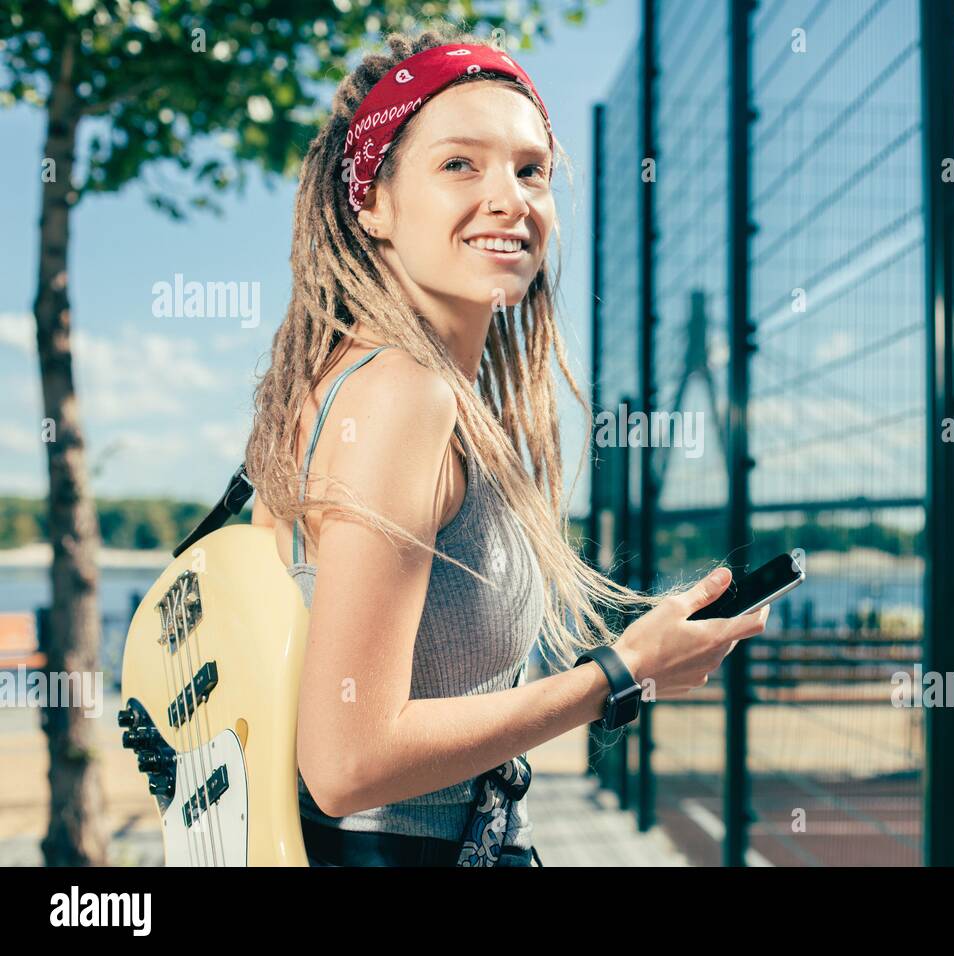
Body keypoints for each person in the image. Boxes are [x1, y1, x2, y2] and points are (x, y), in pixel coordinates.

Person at [245, 21, 768, 867]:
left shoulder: (335, 383)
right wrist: (620, 672)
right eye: (460, 164)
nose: (509, 198)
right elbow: (346, 762)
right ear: (369, 202)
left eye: (531, 170)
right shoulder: (401, 396)